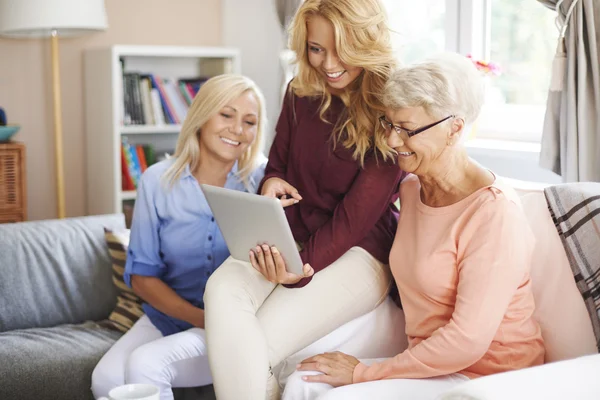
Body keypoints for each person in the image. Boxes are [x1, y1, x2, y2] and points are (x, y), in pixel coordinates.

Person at [286, 52, 546, 400]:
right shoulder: (411, 188)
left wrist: (365, 373)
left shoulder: (494, 214)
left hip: (488, 377)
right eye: (388, 124)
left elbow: (466, 342)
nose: (392, 141)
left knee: (337, 396)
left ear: (454, 128)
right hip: (428, 365)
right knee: (303, 380)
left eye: (407, 130)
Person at [203, 1, 405, 399]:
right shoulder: (300, 89)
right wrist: (272, 184)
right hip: (291, 232)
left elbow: (355, 218)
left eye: (342, 49)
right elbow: (276, 164)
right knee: (220, 290)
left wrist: (301, 268)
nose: (328, 63)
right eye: (316, 48)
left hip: (359, 249)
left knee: (253, 340)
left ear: (367, 41)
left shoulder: (391, 106)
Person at [90, 74, 267, 400]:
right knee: (105, 381)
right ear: (202, 115)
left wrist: (219, 322)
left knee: (146, 365)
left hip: (235, 326)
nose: (238, 130)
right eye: (226, 115)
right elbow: (143, 278)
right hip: (170, 317)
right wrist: (200, 319)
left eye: (249, 121)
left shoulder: (263, 181)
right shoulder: (157, 181)